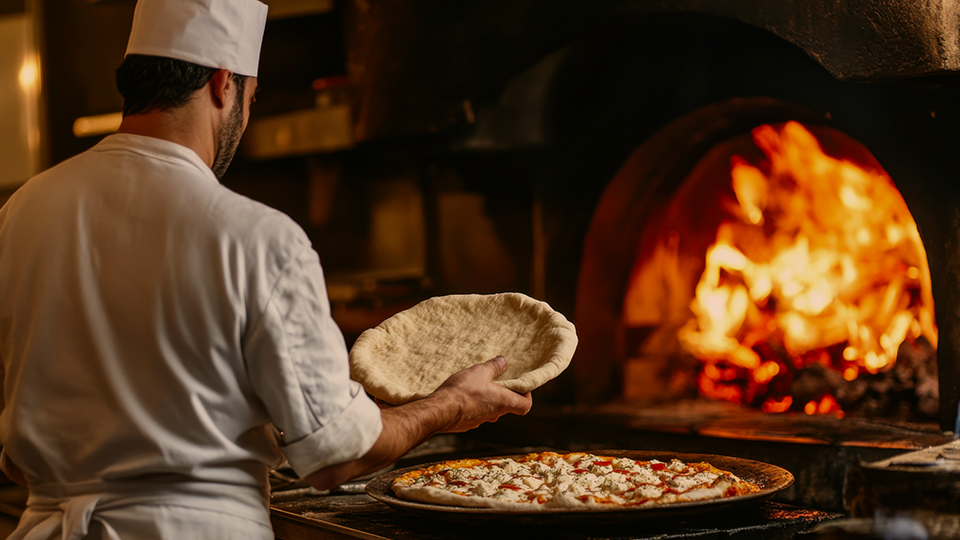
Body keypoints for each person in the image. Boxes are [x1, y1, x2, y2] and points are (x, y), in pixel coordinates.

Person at [0, 0, 533, 538]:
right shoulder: (257, 236)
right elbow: (339, 454)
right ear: (223, 84)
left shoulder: (21, 212)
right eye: (251, 98)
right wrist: (452, 403)